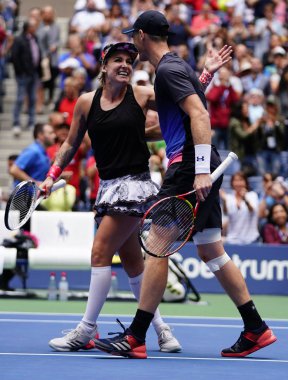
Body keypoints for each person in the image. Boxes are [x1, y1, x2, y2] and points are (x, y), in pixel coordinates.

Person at [93, 10, 277, 359]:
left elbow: (200, 114)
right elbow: (182, 113)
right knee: (210, 250)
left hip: (191, 165)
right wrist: (205, 73)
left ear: (143, 35)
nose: (133, 42)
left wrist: (202, 169)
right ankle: (256, 328)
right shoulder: (177, 68)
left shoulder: (168, 69)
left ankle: (135, 337)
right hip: (199, 163)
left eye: (135, 36)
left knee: (157, 245)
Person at [41, 39, 232, 354]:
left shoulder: (142, 95)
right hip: (108, 188)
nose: (124, 65)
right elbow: (69, 144)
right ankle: (163, 330)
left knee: (100, 252)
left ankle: (86, 330)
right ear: (104, 66)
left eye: (129, 61)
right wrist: (50, 177)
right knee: (132, 263)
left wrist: (206, 75)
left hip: (136, 188)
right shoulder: (86, 103)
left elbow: (184, 99)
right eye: (117, 60)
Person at [220, 171, 260, 244]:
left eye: (241, 180)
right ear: (232, 183)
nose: (238, 183)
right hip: (232, 239)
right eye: (235, 180)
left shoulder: (252, 195)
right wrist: (224, 201)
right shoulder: (228, 198)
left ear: (245, 182)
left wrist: (245, 199)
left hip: (251, 239)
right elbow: (226, 214)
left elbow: (252, 211)